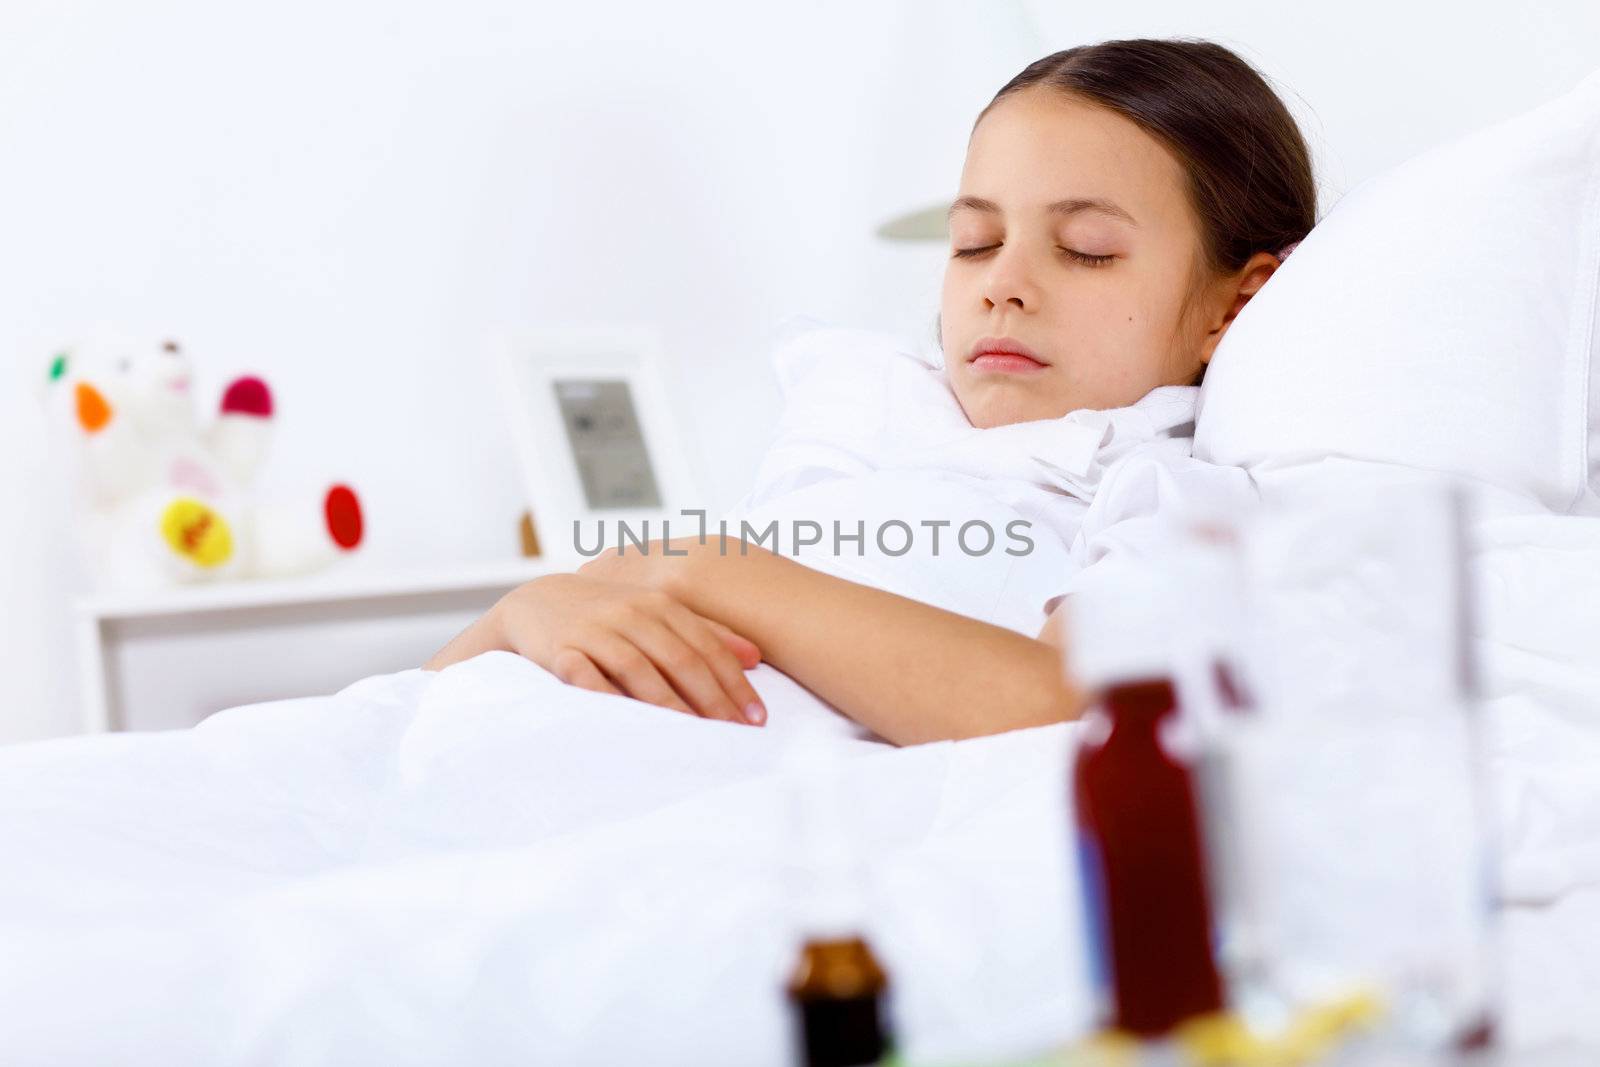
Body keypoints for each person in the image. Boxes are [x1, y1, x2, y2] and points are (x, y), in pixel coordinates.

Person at [426, 38, 1316, 746]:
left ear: (1235, 305)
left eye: (1084, 248)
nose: (1000, 285)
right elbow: (422, 701)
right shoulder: (856, 446)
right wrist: (519, 614)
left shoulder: (1166, 495)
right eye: (973, 242)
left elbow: (1066, 710)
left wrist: (700, 565)